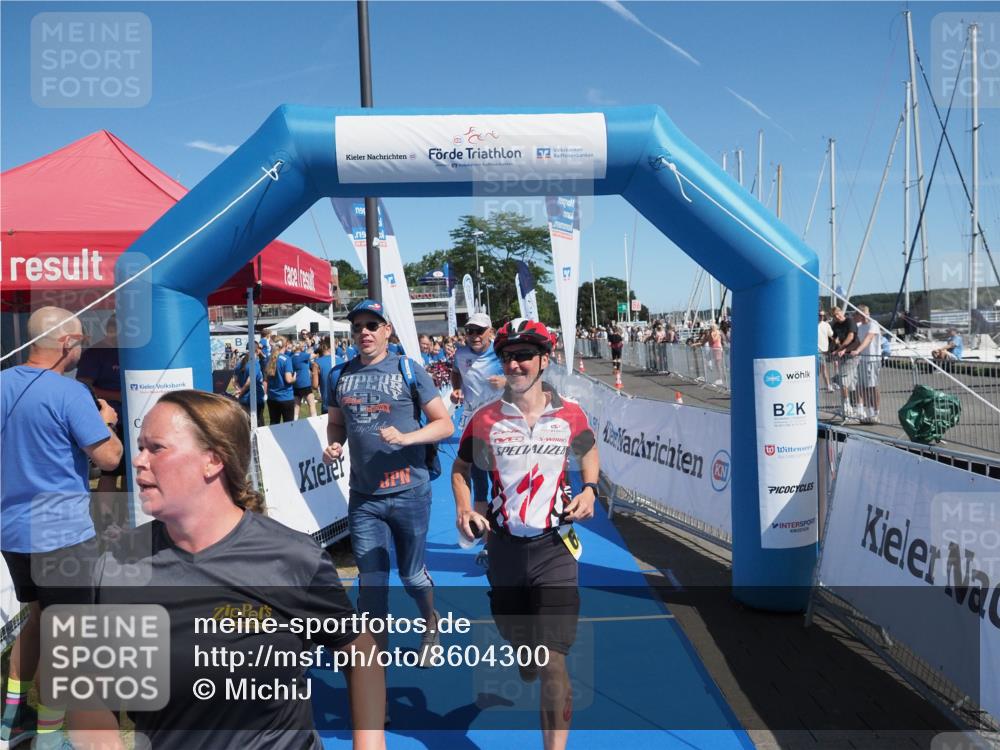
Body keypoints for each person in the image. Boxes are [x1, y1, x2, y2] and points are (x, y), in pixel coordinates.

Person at [73, 390, 385, 749]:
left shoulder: (292, 558)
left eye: (156, 448)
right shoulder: (116, 568)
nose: (139, 461)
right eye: (140, 447)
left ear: (213, 460)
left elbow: (360, 651)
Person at [451, 318, 599, 750]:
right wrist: (464, 507)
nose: (515, 364)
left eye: (524, 356)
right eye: (508, 356)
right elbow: (461, 470)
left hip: (555, 547)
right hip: (505, 550)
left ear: (544, 360)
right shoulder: (486, 420)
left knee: (553, 661)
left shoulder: (569, 414)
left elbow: (588, 450)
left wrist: (589, 489)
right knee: (524, 649)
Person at [1, 306, 123, 750]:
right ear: (66, 343)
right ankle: (52, 738)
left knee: (36, 623)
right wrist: (108, 424)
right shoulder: (71, 393)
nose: (84, 348)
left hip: (13, 533)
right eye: (81, 340)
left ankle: (11, 722)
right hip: (62, 536)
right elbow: (109, 458)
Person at [322, 299, 453, 667]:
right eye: (358, 326)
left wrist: (408, 438)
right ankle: (375, 681)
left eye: (372, 325)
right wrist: (334, 444)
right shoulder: (338, 375)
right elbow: (336, 422)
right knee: (372, 586)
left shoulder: (410, 370)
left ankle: (431, 623)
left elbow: (445, 424)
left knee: (412, 577)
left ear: (387, 330)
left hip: (411, 491)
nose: (364, 332)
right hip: (364, 499)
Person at [450, 313, 505, 565]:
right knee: (480, 482)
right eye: (470, 331)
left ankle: (512, 536)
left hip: (504, 425)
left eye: (479, 331)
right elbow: (456, 373)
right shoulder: (461, 354)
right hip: (475, 425)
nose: (474, 336)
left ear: (490, 331)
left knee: (504, 482)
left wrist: (506, 380)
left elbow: (527, 379)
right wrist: (457, 388)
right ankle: (486, 543)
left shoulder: (502, 353)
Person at [76, 315, 126, 527]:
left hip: (137, 419)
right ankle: (106, 520)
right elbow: (84, 386)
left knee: (132, 471)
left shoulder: (135, 351)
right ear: (110, 329)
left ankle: (126, 518)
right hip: (109, 420)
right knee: (109, 472)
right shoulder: (95, 353)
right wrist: (118, 395)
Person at [851, 305, 882, 425]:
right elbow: (858, 342)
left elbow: (868, 339)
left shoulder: (873, 324)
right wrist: (843, 350)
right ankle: (869, 413)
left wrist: (858, 351)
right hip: (863, 360)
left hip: (872, 359)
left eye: (857, 314)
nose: (855, 317)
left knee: (873, 386)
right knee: (863, 386)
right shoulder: (860, 326)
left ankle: (876, 413)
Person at [830, 306, 860, 421]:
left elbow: (851, 336)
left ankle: (848, 406)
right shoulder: (836, 325)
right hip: (843, 355)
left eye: (838, 314)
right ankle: (850, 406)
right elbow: (834, 337)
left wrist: (841, 348)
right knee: (849, 382)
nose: (837, 316)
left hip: (852, 352)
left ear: (841, 312)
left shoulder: (850, 321)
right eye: (835, 316)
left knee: (844, 381)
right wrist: (832, 348)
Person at [233, 342, 267, 425]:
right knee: (258, 426)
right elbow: (250, 381)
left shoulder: (240, 363)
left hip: (243, 400)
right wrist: (241, 391)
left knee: (246, 424)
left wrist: (239, 390)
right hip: (255, 399)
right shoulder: (254, 363)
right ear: (257, 350)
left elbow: (234, 381)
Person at [264, 336, 295, 424]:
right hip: (285, 398)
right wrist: (294, 378)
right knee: (289, 426)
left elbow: (265, 379)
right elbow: (288, 379)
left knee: (274, 424)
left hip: (272, 397)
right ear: (285, 345)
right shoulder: (286, 359)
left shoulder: (268, 358)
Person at [291, 340, 317, 419]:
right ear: (301, 347)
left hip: (296, 383)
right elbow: (315, 355)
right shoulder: (303, 355)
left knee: (297, 405)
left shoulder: (292, 357)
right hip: (305, 383)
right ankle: (314, 420)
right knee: (311, 403)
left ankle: (294, 423)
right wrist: (311, 350)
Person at [817, 310, 835, 392]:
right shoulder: (811, 324)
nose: (821, 317)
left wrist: (836, 346)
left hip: (824, 350)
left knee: (822, 368)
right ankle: (827, 386)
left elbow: (832, 335)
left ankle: (827, 386)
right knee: (821, 368)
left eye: (823, 315)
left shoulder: (826, 325)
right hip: (815, 350)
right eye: (820, 315)